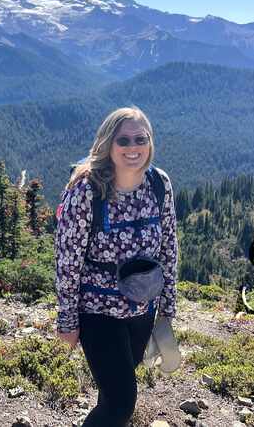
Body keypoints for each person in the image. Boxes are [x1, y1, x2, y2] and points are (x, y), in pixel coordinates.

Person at [54, 106, 178, 427]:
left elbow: (169, 248)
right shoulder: (87, 191)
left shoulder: (159, 185)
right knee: (122, 402)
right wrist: (68, 322)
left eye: (141, 138)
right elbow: (68, 260)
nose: (133, 147)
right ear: (109, 144)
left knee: (112, 393)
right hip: (98, 311)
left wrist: (167, 307)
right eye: (123, 140)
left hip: (143, 308)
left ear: (150, 142)